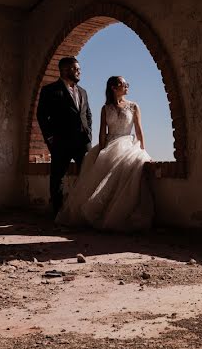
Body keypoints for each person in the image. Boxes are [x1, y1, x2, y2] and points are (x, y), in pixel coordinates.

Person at [56, 76, 154, 230]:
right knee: (99, 179)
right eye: (124, 84)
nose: (127, 86)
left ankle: (115, 214)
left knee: (123, 175)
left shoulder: (134, 106)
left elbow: (139, 130)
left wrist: (143, 148)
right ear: (114, 88)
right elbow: (102, 132)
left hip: (126, 144)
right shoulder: (105, 108)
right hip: (109, 145)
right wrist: (101, 151)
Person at [36, 56, 92, 215]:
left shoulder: (83, 92)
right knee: (57, 178)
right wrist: (50, 138)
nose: (79, 72)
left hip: (83, 142)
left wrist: (89, 133)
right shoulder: (50, 90)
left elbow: (87, 114)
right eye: (76, 69)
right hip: (61, 142)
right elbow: (41, 116)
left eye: (79, 69)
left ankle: (85, 210)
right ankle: (58, 212)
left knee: (88, 175)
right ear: (65, 70)